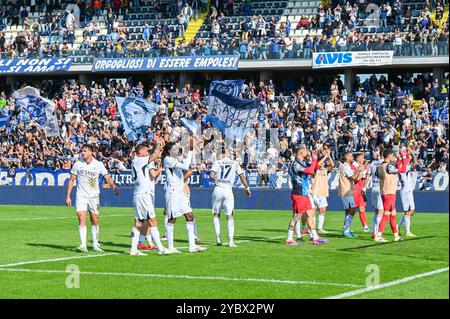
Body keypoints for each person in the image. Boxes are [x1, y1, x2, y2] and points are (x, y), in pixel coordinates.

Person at [65, 144, 120, 252]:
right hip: (81, 195)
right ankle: (83, 245)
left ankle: (95, 244)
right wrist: (68, 197)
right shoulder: (77, 164)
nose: (82, 153)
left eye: (85, 151)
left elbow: (106, 176)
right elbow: (71, 180)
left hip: (94, 196)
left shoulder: (98, 164)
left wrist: (113, 186)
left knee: (94, 219)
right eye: (82, 151)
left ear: (91, 152)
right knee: (81, 217)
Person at [163, 138, 206, 253]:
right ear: (168, 151)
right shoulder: (168, 160)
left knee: (190, 216)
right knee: (172, 218)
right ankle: (170, 247)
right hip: (172, 192)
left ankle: (192, 246)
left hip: (180, 192)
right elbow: (186, 166)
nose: (177, 150)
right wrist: (191, 150)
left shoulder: (175, 159)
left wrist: (191, 150)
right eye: (174, 148)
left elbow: (189, 163)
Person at [129, 140, 168, 255]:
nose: (148, 152)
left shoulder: (137, 161)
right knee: (152, 220)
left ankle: (133, 249)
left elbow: (152, 177)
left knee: (138, 222)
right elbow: (155, 155)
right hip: (143, 194)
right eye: (146, 150)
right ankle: (160, 249)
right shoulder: (139, 160)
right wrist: (157, 143)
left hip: (140, 194)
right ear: (140, 151)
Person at [286, 145, 328, 246]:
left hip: (304, 194)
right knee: (297, 217)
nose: (307, 151)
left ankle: (315, 237)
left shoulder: (303, 162)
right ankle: (289, 238)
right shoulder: (295, 164)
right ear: (300, 152)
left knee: (310, 214)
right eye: (305, 150)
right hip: (298, 193)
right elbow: (309, 171)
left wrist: (316, 158)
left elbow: (315, 168)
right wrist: (313, 160)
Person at [209, 149, 252, 247]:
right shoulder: (235, 163)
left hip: (218, 189)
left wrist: (219, 180)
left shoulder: (217, 162)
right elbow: (242, 177)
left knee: (216, 214)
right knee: (230, 215)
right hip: (228, 190)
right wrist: (247, 188)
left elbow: (211, 175)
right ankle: (231, 241)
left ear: (221, 154)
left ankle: (218, 238)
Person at [374, 149, 408, 242]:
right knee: (387, 214)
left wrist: (400, 159)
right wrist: (404, 158)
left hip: (385, 192)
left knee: (393, 215)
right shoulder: (389, 166)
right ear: (388, 156)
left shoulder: (380, 166)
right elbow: (403, 170)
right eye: (392, 156)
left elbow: (395, 167)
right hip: (389, 193)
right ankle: (379, 235)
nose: (394, 157)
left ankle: (396, 235)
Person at [338, 151, 366, 238]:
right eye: (350, 156)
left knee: (349, 211)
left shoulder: (347, 167)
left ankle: (346, 230)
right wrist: (359, 170)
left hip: (348, 191)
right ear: (346, 157)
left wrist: (360, 171)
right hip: (346, 191)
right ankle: (346, 231)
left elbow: (356, 177)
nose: (352, 157)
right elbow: (354, 177)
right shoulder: (345, 167)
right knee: (352, 210)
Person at [311, 145, 334, 234]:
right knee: (313, 210)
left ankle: (320, 228)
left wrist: (329, 155)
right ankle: (311, 228)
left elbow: (332, 165)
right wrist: (325, 156)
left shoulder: (326, 168)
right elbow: (318, 165)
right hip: (315, 190)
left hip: (323, 191)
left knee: (323, 210)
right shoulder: (316, 165)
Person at [397, 146, 417, 237]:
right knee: (408, 211)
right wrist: (409, 154)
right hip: (405, 190)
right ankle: (407, 231)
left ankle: (398, 226)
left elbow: (413, 163)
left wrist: (410, 154)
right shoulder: (402, 168)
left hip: (408, 190)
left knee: (411, 211)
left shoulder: (402, 165)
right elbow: (415, 164)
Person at [353, 153, 371, 232]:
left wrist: (364, 187)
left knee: (362, 208)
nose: (363, 159)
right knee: (351, 210)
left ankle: (365, 227)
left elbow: (366, 177)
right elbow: (356, 178)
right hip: (354, 190)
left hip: (361, 190)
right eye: (362, 157)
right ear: (358, 158)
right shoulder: (353, 166)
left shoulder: (363, 166)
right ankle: (345, 227)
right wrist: (364, 170)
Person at [368, 150, 384, 239]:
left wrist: (364, 187)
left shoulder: (373, 163)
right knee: (381, 211)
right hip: (380, 188)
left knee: (376, 211)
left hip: (373, 187)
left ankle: (374, 232)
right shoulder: (384, 164)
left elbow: (368, 175)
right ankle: (377, 234)